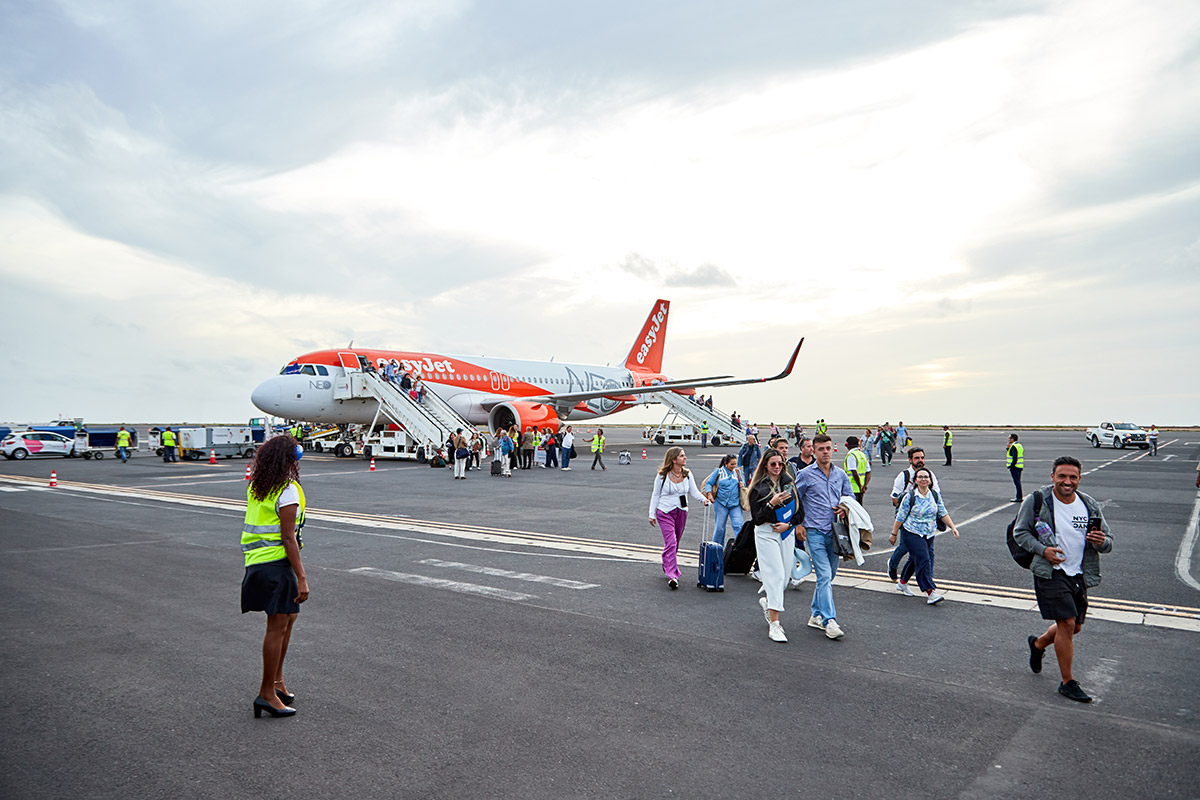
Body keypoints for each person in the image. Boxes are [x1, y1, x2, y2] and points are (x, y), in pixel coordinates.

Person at [1015, 456, 1113, 703]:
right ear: (1052, 477)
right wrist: (1043, 550)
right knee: (1067, 623)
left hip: (1078, 573)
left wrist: (1101, 542)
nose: (1067, 481)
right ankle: (1067, 682)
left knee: (1074, 627)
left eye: (1072, 477)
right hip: (1050, 572)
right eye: (1062, 476)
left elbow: (1109, 541)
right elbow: (1020, 532)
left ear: (1079, 479)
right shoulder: (1038, 501)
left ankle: (1038, 644)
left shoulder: (1089, 504)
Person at [241, 435, 309, 718]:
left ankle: (277, 682)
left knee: (288, 619)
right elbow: (288, 537)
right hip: (276, 565)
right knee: (276, 627)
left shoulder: (259, 486)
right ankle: (266, 693)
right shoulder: (287, 489)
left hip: (256, 564)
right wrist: (302, 577)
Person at [793, 434, 853, 640]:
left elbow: (849, 497)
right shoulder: (805, 475)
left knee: (828, 577)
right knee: (825, 576)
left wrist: (845, 509)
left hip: (836, 533)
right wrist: (797, 524)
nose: (825, 452)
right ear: (814, 451)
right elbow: (795, 499)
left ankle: (815, 614)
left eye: (828, 448)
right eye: (821, 449)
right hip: (814, 531)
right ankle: (830, 621)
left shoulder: (841, 475)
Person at [748, 450, 803, 643]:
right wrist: (771, 504)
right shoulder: (758, 488)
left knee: (785, 578)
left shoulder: (789, 484)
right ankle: (775, 624)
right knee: (775, 575)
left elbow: (800, 512)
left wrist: (789, 525)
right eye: (773, 464)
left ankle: (769, 603)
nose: (777, 467)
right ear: (765, 465)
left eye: (780, 463)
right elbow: (756, 519)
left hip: (785, 533)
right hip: (766, 533)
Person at [888, 467, 959, 604]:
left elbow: (942, 513)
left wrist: (953, 527)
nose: (923, 479)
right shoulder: (910, 497)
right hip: (911, 532)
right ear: (915, 480)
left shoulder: (935, 495)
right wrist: (894, 533)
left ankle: (902, 583)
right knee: (924, 558)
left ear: (930, 480)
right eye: (920, 477)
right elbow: (900, 517)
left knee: (915, 560)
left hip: (929, 533)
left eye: (926, 477)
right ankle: (930, 592)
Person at [648, 447, 710, 589]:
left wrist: (704, 500)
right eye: (682, 456)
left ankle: (667, 562)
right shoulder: (662, 476)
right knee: (672, 542)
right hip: (664, 512)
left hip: (681, 512)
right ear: (674, 459)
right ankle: (672, 576)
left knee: (675, 543)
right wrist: (652, 514)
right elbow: (655, 494)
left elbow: (694, 491)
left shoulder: (687, 474)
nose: (685, 458)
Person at [888, 447, 941, 585]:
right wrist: (908, 501)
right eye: (917, 458)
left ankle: (928, 578)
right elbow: (894, 498)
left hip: (926, 521)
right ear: (910, 460)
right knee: (905, 547)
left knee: (929, 551)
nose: (920, 461)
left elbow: (936, 496)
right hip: (908, 521)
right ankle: (892, 566)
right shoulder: (904, 476)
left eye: (922, 458)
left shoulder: (929, 475)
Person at [703, 454, 745, 546]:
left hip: (735, 504)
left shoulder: (737, 472)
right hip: (721, 503)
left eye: (735, 464)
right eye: (732, 464)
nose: (734, 466)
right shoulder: (718, 472)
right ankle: (717, 547)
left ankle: (739, 547)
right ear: (726, 464)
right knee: (720, 528)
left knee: (738, 525)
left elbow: (743, 483)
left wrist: (742, 484)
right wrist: (709, 494)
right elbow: (709, 483)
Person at [844, 436, 870, 503]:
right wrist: (865, 486)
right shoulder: (862, 455)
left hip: (852, 487)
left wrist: (860, 485)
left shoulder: (851, 455)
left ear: (848, 445)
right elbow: (868, 472)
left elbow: (854, 472)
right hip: (861, 488)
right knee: (859, 508)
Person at [1007, 434, 1025, 502]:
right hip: (1019, 466)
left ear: (1012, 439)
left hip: (1015, 467)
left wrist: (1012, 466)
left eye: (1009, 438)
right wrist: (1008, 448)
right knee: (1018, 481)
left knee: (1017, 482)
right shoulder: (1019, 445)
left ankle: (1019, 497)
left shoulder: (1014, 446)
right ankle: (1019, 496)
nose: (1008, 439)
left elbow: (1014, 457)